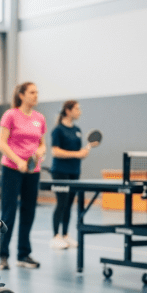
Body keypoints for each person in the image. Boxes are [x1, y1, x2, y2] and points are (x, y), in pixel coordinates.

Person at [0, 82, 46, 269]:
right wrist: (18, 161)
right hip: (11, 169)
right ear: (22, 95)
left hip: (33, 171)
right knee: (8, 213)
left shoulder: (39, 118)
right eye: (32, 92)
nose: (36, 95)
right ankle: (1, 256)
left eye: (37, 92)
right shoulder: (10, 115)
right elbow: (1, 143)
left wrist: (40, 152)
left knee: (29, 212)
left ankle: (23, 255)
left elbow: (42, 144)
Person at [49, 100, 93, 249]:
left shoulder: (77, 130)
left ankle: (66, 235)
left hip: (74, 172)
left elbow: (79, 153)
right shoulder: (58, 130)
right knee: (61, 203)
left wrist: (84, 153)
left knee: (69, 205)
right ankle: (55, 236)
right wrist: (77, 154)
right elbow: (55, 151)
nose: (79, 111)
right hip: (60, 172)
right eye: (77, 109)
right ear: (68, 111)